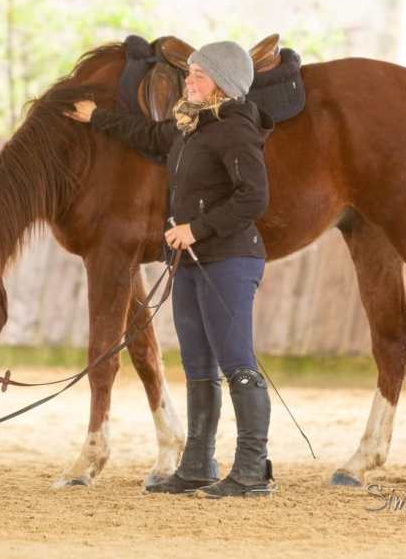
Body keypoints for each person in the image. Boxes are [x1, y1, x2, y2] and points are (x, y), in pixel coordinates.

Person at [62, 41, 276, 498]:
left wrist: (196, 229)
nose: (189, 80)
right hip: (191, 261)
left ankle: (252, 470)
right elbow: (147, 136)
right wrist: (95, 117)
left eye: (198, 74)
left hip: (231, 259)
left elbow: (253, 197)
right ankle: (197, 463)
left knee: (236, 362)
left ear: (222, 84)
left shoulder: (236, 128)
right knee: (198, 364)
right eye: (190, 72)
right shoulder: (190, 126)